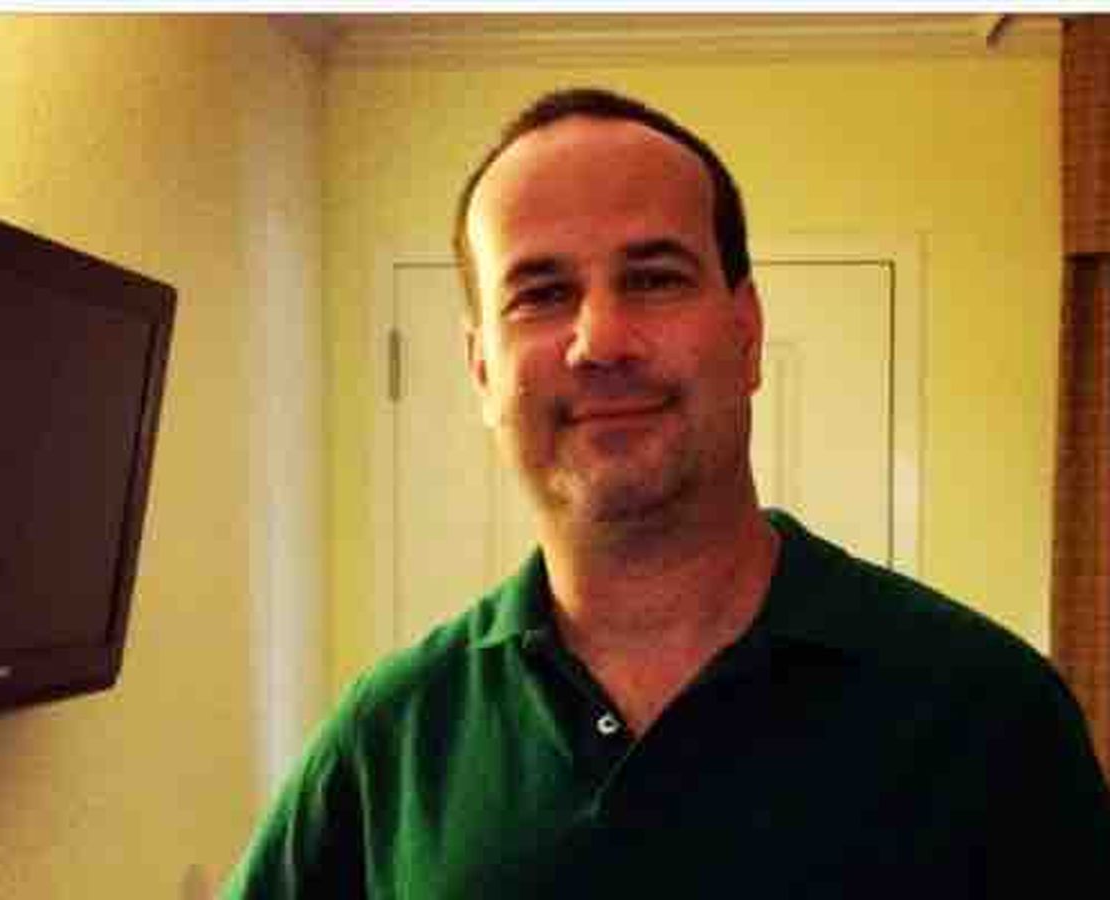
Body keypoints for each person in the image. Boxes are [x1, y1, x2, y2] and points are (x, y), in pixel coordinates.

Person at [223, 87, 1110, 898]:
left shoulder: (989, 715)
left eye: (653, 278)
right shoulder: (390, 742)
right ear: (482, 367)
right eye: (541, 293)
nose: (601, 340)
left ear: (747, 333)